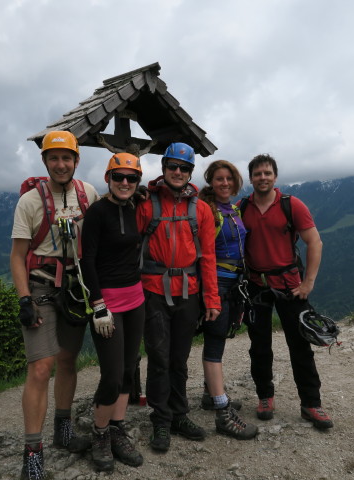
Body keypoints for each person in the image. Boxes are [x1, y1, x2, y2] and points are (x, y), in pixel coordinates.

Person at [10, 130, 99, 480]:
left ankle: (63, 428)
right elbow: (17, 256)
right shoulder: (30, 201)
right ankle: (32, 451)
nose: (61, 164)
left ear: (76, 160)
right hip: (42, 287)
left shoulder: (87, 194)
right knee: (41, 367)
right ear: (45, 161)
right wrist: (24, 299)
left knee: (67, 361)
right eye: (54, 158)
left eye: (67, 158)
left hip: (75, 290)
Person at [136, 142, 221, 452]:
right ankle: (161, 420)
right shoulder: (146, 205)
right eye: (172, 166)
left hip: (189, 293)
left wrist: (212, 298)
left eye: (183, 168)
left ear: (190, 173)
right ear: (163, 168)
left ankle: (179, 414)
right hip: (153, 291)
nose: (177, 172)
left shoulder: (201, 210)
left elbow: (208, 257)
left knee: (179, 359)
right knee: (159, 358)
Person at [241, 153, 333, 430]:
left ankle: (311, 404)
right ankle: (265, 397)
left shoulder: (291, 205)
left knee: (300, 344)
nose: (263, 178)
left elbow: (314, 242)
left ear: (275, 177)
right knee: (259, 346)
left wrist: (308, 283)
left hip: (290, 286)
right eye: (258, 174)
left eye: (267, 173)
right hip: (257, 285)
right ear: (251, 178)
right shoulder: (242, 207)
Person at [80, 153, 146, 472]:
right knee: (111, 375)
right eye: (118, 176)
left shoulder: (135, 206)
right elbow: (86, 260)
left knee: (129, 371)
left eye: (131, 178)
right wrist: (97, 304)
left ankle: (117, 428)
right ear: (107, 178)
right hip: (107, 304)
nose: (124, 182)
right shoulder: (97, 213)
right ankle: (100, 433)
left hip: (136, 299)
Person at [198, 160, 257, 440]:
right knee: (215, 340)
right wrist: (210, 294)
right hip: (218, 283)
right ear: (211, 182)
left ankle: (211, 395)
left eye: (229, 179)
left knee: (219, 337)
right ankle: (222, 411)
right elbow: (206, 253)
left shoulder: (232, 209)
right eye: (219, 179)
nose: (225, 183)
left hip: (234, 283)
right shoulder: (209, 211)